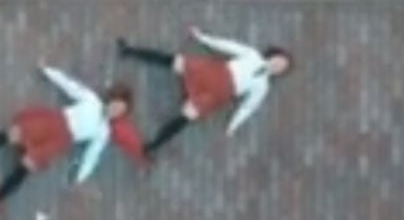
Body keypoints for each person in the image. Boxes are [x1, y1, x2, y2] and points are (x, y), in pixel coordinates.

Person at [0, 71, 131, 206]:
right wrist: (49, 72)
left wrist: (80, 177)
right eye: (116, 105)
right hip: (53, 121)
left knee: (27, 164)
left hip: (61, 140)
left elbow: (92, 155)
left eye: (119, 111)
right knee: (13, 135)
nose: (115, 109)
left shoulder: (103, 131)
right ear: (112, 100)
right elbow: (70, 86)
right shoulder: (92, 100)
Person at [119, 29, 292, 154]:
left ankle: (153, 145)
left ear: (278, 73)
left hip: (218, 94)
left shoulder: (263, 86)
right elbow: (228, 46)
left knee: (184, 118)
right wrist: (204, 38)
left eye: (281, 68)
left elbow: (248, 108)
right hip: (213, 72)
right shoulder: (253, 55)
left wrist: (232, 126)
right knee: (172, 61)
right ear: (273, 55)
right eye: (279, 61)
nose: (277, 65)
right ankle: (129, 51)